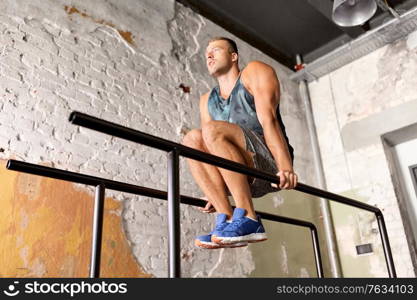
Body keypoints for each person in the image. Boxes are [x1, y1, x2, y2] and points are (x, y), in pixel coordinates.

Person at [182, 37, 298, 249]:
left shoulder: (255, 72)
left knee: (211, 129)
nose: (208, 55)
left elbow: (269, 120)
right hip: (240, 175)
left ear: (234, 56)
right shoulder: (206, 100)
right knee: (191, 139)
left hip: (268, 165)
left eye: (215, 50)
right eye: (207, 53)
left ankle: (249, 218)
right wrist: (213, 190)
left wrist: (285, 167)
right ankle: (226, 220)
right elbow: (207, 151)